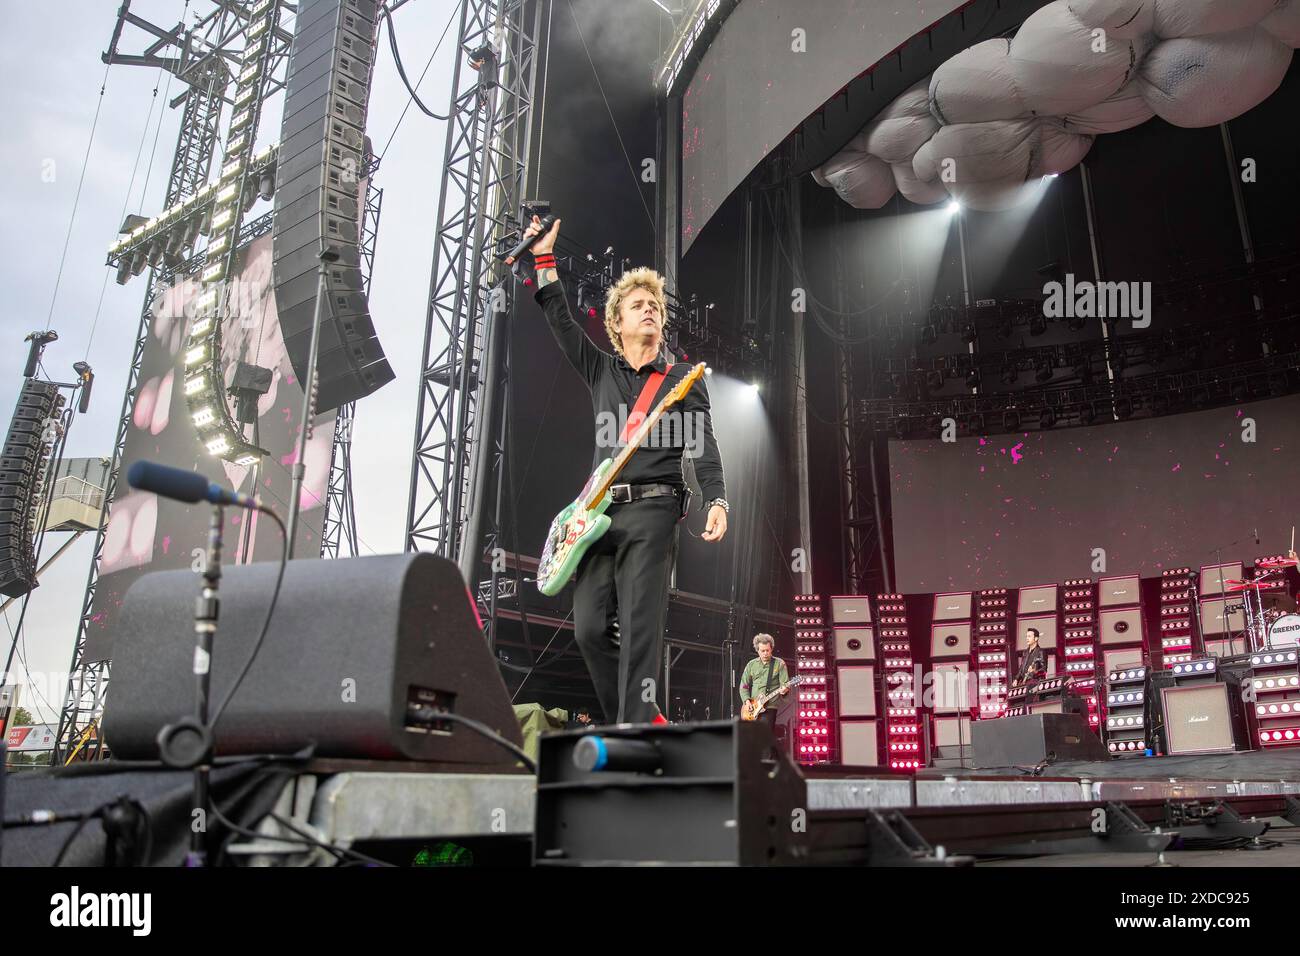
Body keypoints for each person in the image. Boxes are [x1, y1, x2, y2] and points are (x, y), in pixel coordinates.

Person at [524, 215, 729, 724]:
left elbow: (702, 441)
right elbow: (560, 320)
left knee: (640, 628)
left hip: (656, 509)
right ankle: (641, 717)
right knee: (589, 629)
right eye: (639, 305)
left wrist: (717, 497)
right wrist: (544, 258)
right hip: (597, 515)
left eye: (655, 306)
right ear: (616, 323)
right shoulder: (601, 370)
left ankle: (635, 734)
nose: (650, 311)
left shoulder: (682, 378)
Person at [739, 633, 791, 730]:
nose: (765, 653)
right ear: (757, 650)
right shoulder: (751, 665)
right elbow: (744, 686)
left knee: (764, 736)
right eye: (762, 651)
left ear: (771, 649)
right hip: (752, 708)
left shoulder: (779, 664)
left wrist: (785, 690)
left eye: (768, 650)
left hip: (769, 706)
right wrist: (747, 701)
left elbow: (785, 684)